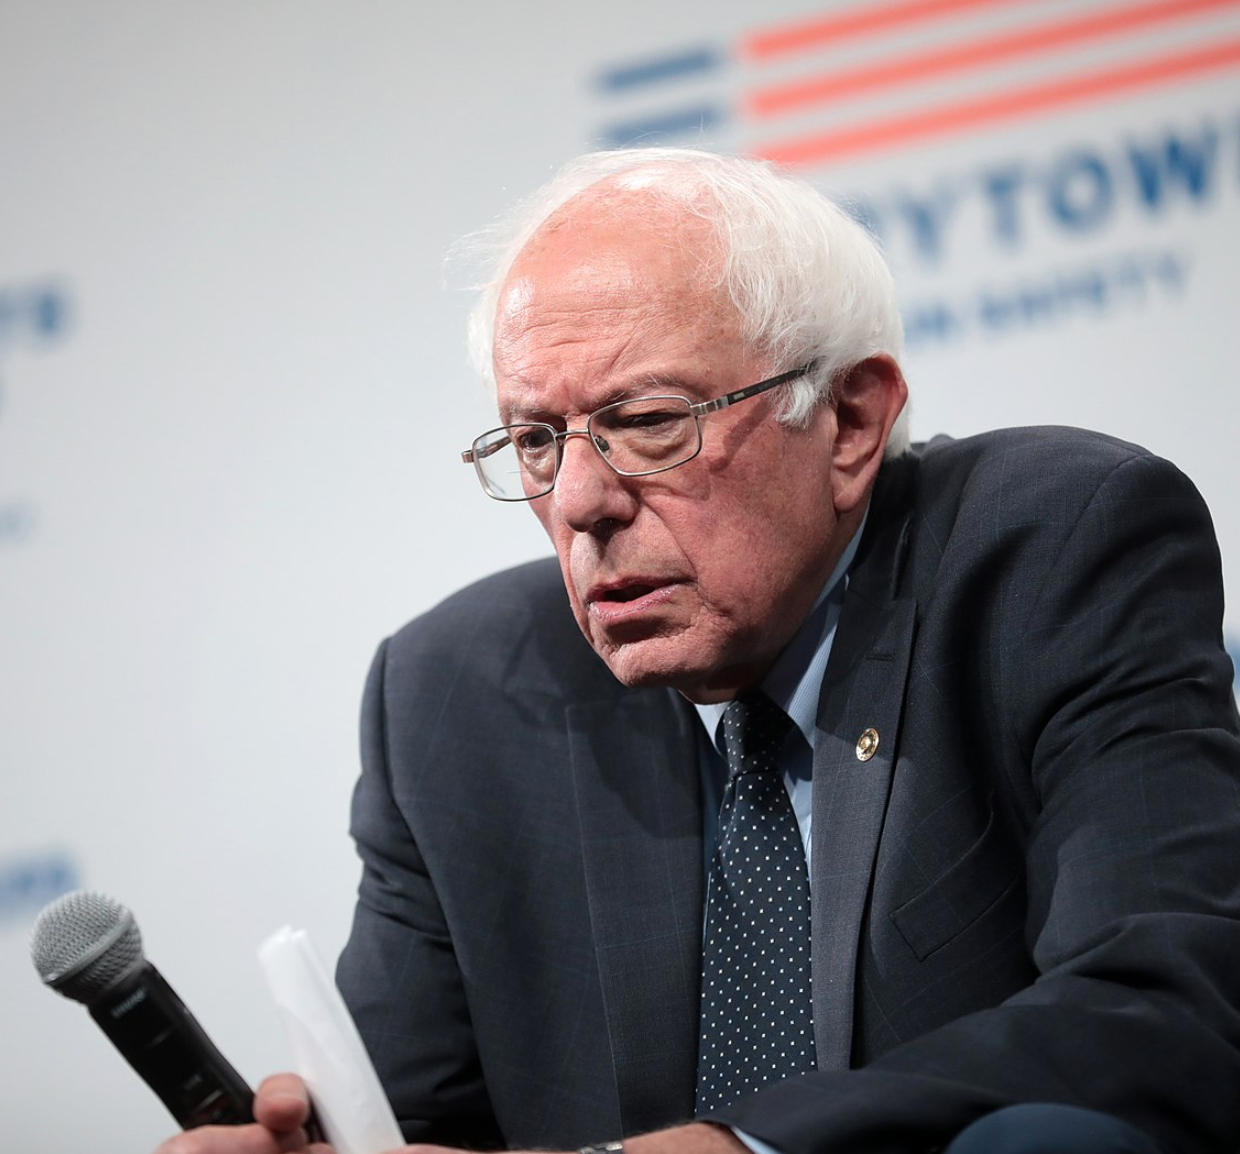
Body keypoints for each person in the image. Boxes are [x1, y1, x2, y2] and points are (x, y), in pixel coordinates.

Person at [156, 148, 1240, 1154]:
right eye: (534, 440)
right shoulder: (457, 698)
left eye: (647, 420)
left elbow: (1157, 1009)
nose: (579, 501)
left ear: (850, 421)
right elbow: (410, 1124)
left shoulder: (1050, 551)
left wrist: (734, 1147)